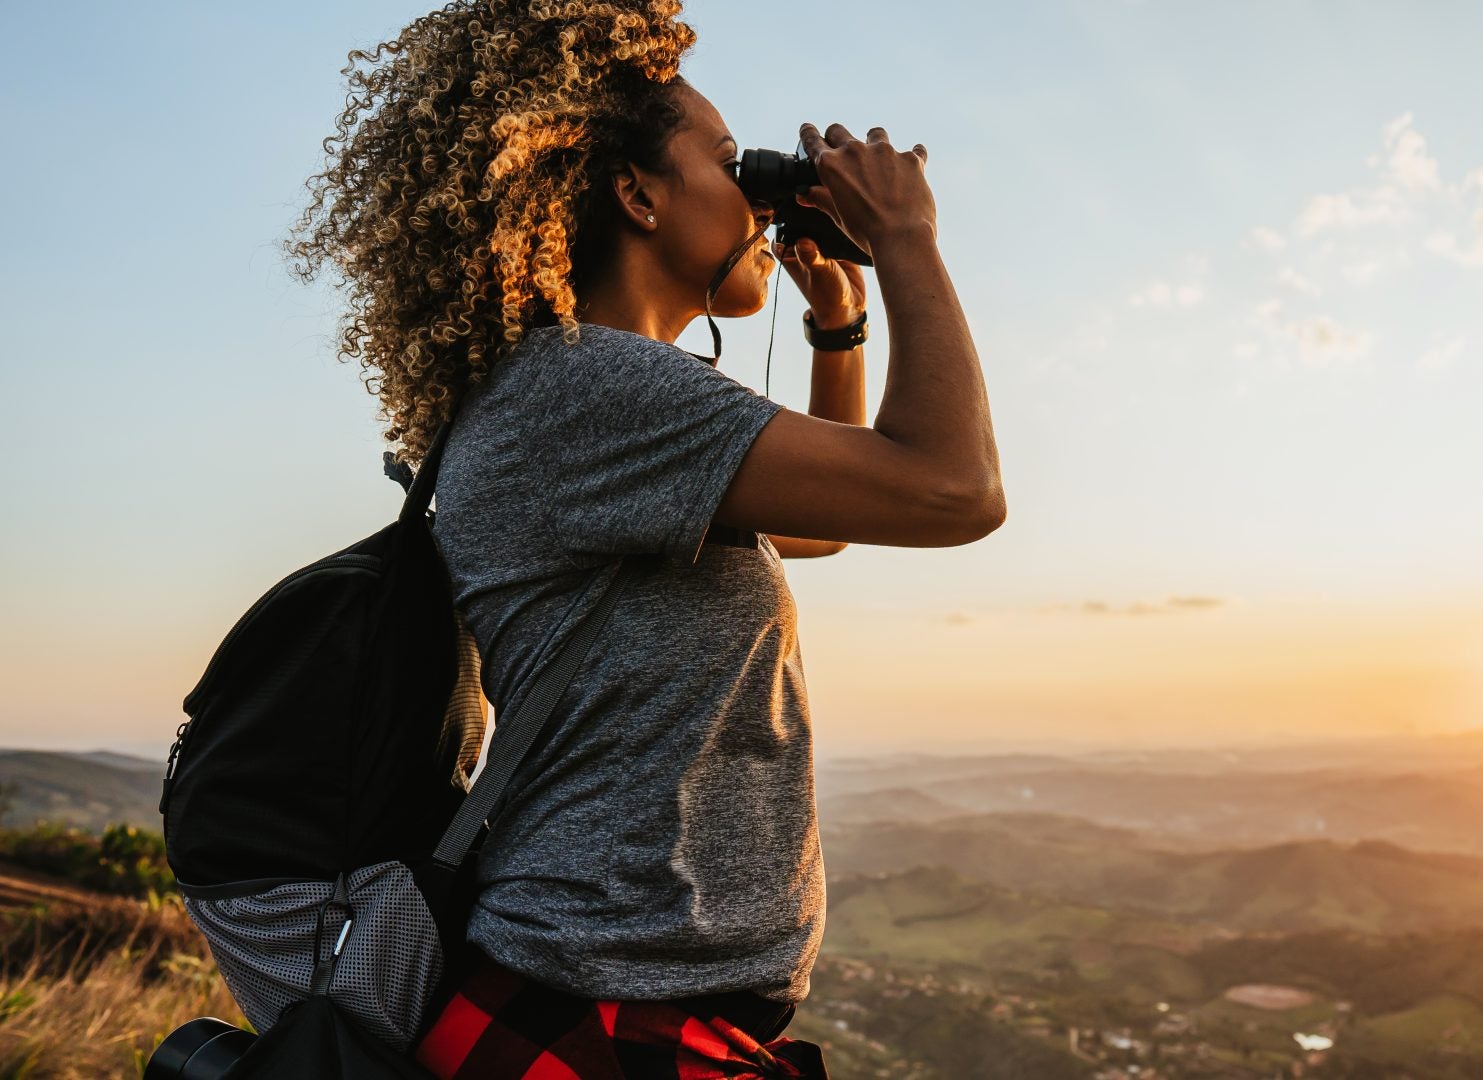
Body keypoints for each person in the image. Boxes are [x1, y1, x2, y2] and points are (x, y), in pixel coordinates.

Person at [284, 3, 1004, 1077]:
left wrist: (839, 326)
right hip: (607, 1009)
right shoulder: (590, 389)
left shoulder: (580, 394)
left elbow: (823, 527)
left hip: (614, 998)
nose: (756, 189)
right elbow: (953, 490)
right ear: (637, 195)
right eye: (728, 162)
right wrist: (906, 236)